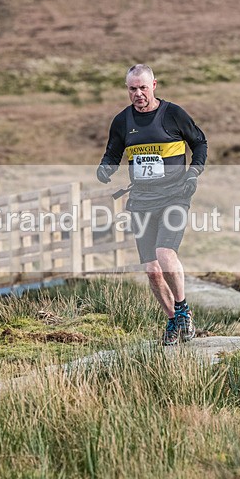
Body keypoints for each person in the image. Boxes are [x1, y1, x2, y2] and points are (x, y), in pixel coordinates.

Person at [97, 64, 208, 346]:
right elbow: (114, 151)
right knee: (151, 269)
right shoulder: (122, 121)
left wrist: (193, 173)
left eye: (143, 88)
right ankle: (173, 320)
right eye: (132, 89)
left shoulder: (173, 114)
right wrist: (105, 168)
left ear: (154, 85)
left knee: (164, 251)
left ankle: (183, 310)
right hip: (141, 200)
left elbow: (199, 143)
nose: (138, 94)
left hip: (174, 196)